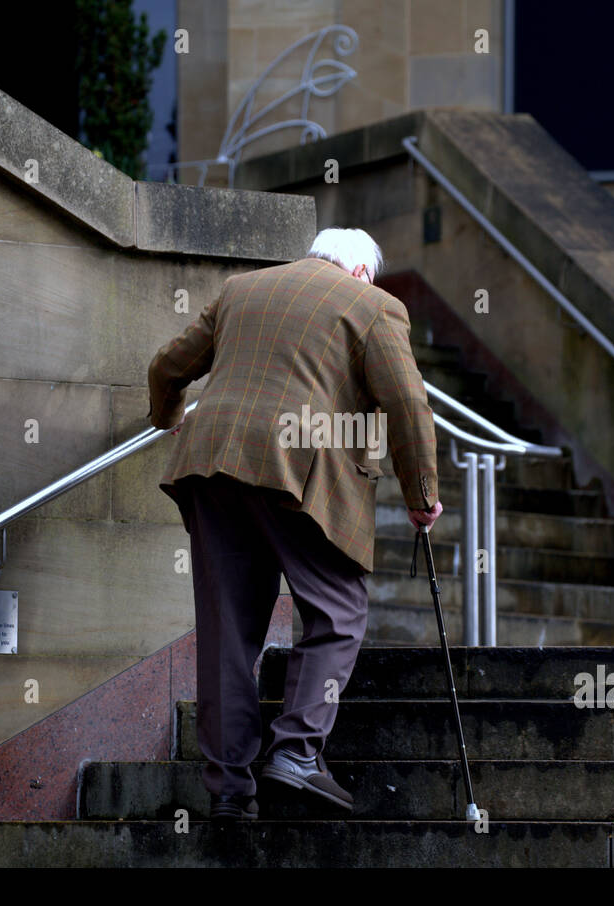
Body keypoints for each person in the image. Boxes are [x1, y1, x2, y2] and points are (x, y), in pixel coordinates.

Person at [147, 227, 442, 820]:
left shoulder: (242, 289)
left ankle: (230, 787)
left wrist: (168, 417)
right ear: (362, 271)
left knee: (228, 631)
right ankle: (297, 754)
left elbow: (166, 366)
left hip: (212, 465)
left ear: (317, 254)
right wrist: (422, 495)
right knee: (338, 612)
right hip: (300, 470)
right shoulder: (373, 305)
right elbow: (408, 404)